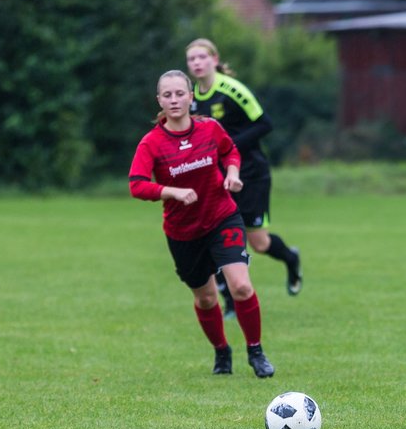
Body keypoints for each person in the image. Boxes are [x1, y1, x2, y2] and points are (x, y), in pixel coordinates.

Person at [129, 69, 276, 377]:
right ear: (159, 100)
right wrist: (172, 192)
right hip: (183, 233)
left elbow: (230, 151)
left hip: (222, 217)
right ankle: (222, 352)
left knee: (242, 286)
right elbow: (137, 185)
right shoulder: (152, 143)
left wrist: (233, 174)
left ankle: (256, 352)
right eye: (167, 95)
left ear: (191, 97)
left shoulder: (209, 128)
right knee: (206, 297)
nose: (174, 100)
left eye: (179, 93)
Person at [185, 37, 302, 320]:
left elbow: (264, 124)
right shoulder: (190, 99)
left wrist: (227, 145)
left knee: (258, 243)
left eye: (202, 57)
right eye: (192, 59)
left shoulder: (231, 90)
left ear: (215, 59)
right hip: (215, 179)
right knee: (216, 239)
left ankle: (291, 259)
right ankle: (231, 303)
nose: (197, 63)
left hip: (250, 174)